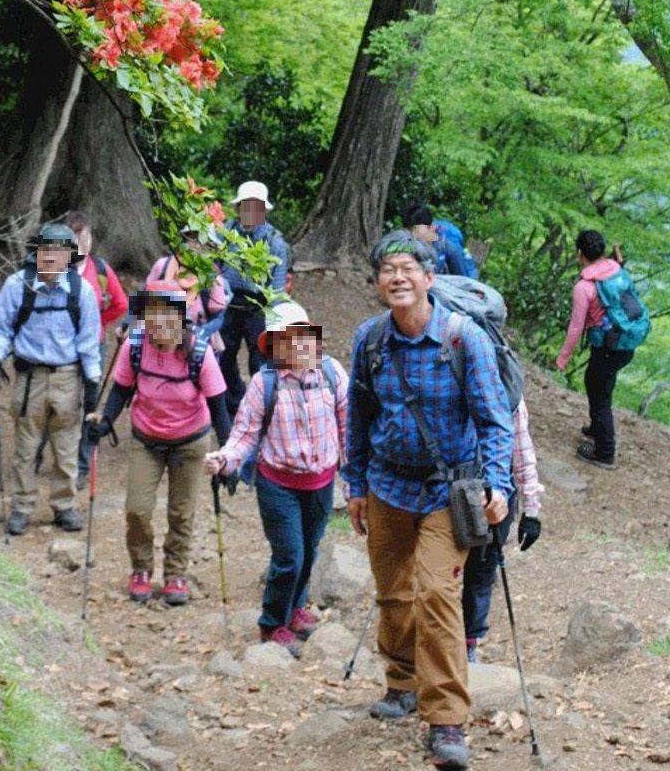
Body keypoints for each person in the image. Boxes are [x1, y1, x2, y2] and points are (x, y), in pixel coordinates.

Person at [344, 230, 513, 771]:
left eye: (408, 268)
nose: (398, 277)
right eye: (388, 269)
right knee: (394, 594)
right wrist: (354, 486)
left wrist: (498, 485)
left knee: (437, 595)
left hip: (449, 490)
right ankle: (401, 684)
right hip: (387, 485)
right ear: (377, 284)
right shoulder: (369, 341)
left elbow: (494, 420)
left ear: (429, 277)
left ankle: (446, 721)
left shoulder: (464, 340)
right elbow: (359, 418)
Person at [205, 300, 348, 656]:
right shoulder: (263, 384)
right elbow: (244, 435)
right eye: (284, 338)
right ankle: (272, 623)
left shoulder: (332, 374)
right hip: (277, 483)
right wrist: (225, 460)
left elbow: (347, 424)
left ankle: (296, 608)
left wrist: (356, 471)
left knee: (310, 548)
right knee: (290, 556)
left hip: (321, 480)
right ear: (273, 345)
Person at [85, 287, 231, 605]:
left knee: (182, 512)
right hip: (146, 439)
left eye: (166, 320)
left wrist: (227, 458)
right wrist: (105, 422)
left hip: (190, 441)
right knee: (137, 509)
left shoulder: (199, 352)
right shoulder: (135, 346)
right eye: (153, 320)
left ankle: (176, 573)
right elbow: (120, 391)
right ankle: (141, 569)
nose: (159, 328)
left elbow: (219, 410)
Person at [0, 222, 102, 536]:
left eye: (60, 253)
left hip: (67, 379)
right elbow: (1, 328)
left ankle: (64, 506)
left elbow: (89, 342)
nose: (52, 259)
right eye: (47, 252)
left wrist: (92, 384)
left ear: (69, 257)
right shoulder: (17, 285)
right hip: (29, 379)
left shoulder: (82, 292)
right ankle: (21, 507)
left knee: (66, 449)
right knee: (25, 449)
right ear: (37, 253)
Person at [462, 398, 543, 661]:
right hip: (449, 489)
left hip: (495, 496)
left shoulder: (509, 389)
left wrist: (531, 510)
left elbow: (521, 451)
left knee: (482, 569)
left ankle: (467, 643)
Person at [555, 229, 630, 469]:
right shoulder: (613, 268)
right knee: (599, 382)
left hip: (609, 345)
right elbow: (619, 264)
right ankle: (597, 428)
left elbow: (576, 328)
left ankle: (604, 452)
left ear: (579, 253)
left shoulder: (584, 287)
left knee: (599, 396)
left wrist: (563, 357)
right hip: (625, 340)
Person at [66, 210, 128, 486]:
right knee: (61, 400)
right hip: (63, 347)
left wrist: (98, 324)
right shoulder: (56, 269)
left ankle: (83, 464)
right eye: (76, 236)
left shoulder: (100, 270)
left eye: (86, 236)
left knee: (90, 402)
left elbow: (120, 303)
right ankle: (51, 453)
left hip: (94, 345)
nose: (82, 242)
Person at [218, 180, 289, 417]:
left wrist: (275, 319)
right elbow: (213, 270)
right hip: (227, 304)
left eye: (256, 206)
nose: (250, 211)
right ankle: (234, 404)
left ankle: (260, 410)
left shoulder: (274, 242)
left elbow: (278, 288)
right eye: (246, 205)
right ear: (238, 208)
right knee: (223, 359)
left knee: (260, 363)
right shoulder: (224, 236)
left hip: (258, 307)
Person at [145, 227, 230, 340]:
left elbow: (218, 317)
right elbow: (143, 299)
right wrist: (131, 334)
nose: (198, 246)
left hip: (195, 341)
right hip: (155, 334)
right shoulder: (163, 266)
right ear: (184, 241)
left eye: (204, 242)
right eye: (194, 239)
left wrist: (201, 334)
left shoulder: (213, 277)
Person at [402, 204, 468, 277]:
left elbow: (462, 280)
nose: (412, 237)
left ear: (430, 227)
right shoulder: (404, 247)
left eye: (416, 232)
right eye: (409, 232)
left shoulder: (449, 249)